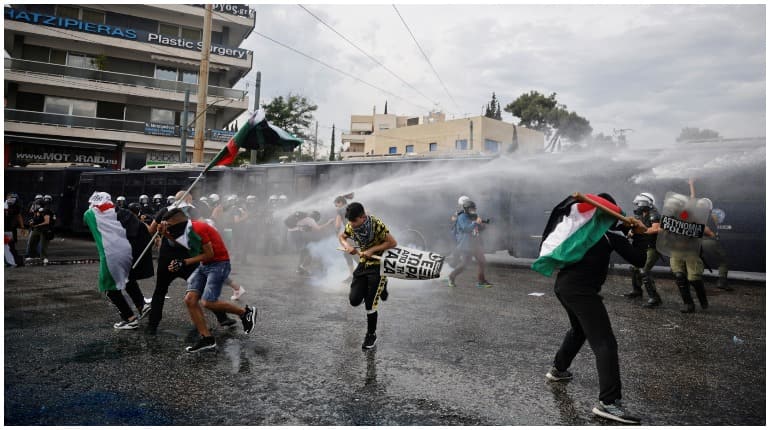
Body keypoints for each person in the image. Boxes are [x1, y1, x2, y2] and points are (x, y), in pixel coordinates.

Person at [544, 193, 646, 424]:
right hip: (581, 292)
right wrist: (640, 235)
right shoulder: (609, 236)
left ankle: (558, 369)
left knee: (579, 330)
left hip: (563, 287)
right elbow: (639, 260)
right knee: (605, 343)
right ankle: (609, 403)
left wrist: (628, 231)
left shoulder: (581, 231)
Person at [161, 208, 256, 353]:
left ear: (177, 221)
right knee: (190, 300)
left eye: (169, 225)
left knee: (208, 302)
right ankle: (207, 339)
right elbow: (187, 245)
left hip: (219, 263)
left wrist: (184, 262)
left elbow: (209, 254)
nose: (167, 227)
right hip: (205, 265)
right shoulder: (185, 229)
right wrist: (166, 234)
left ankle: (245, 312)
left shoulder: (197, 228)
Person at [144, 191, 234, 334]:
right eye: (190, 199)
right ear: (187, 199)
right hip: (188, 256)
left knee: (160, 290)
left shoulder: (164, 211)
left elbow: (151, 230)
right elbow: (204, 227)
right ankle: (222, 318)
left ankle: (152, 325)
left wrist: (158, 234)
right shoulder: (192, 210)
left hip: (167, 257)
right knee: (202, 287)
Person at [83, 192, 151, 330]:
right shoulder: (123, 213)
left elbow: (86, 217)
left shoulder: (90, 214)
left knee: (109, 288)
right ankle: (142, 306)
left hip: (110, 255)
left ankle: (130, 319)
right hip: (127, 252)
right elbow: (143, 229)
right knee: (128, 279)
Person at [338, 202, 397, 350]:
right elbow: (342, 237)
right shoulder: (351, 226)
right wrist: (348, 246)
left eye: (354, 221)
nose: (352, 224)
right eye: (350, 221)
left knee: (370, 303)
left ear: (363, 217)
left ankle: (371, 335)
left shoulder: (376, 224)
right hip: (364, 263)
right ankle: (379, 287)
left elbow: (392, 243)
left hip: (379, 264)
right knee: (354, 300)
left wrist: (372, 250)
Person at [689, 178, 731, 291]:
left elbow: (692, 199)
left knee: (699, 261)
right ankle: (722, 282)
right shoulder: (712, 215)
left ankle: (695, 281)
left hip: (696, 243)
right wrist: (711, 234)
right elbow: (707, 229)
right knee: (723, 261)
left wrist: (691, 184)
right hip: (709, 241)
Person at [624, 192, 663, 308]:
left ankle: (655, 298)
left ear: (645, 203)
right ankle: (637, 291)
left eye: (639, 204)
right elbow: (635, 227)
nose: (637, 206)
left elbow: (656, 229)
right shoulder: (640, 215)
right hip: (643, 245)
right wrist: (631, 232)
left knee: (644, 270)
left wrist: (641, 230)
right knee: (634, 268)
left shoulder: (654, 213)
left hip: (653, 247)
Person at [448, 200, 493, 288]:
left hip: (475, 243)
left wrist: (482, 226)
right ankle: (451, 276)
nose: (473, 210)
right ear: (466, 209)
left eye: (474, 209)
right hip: (466, 244)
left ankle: (481, 282)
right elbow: (466, 228)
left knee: (482, 261)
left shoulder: (473, 216)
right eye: (471, 209)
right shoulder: (462, 217)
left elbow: (476, 228)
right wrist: (476, 222)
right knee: (464, 264)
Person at [287, 210, 334, 276]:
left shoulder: (304, 219)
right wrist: (328, 222)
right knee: (310, 251)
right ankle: (303, 267)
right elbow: (318, 228)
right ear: (316, 217)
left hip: (292, 235)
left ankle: (300, 268)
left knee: (304, 252)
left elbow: (307, 229)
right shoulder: (310, 220)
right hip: (296, 236)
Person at [334, 195, 357, 281]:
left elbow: (338, 224)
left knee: (350, 254)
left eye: (336, 204)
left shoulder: (339, 210)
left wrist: (337, 232)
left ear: (340, 202)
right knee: (349, 253)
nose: (336, 206)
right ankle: (353, 275)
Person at [4, 193, 26, 267]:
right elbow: (19, 216)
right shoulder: (15, 207)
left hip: (9, 229)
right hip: (10, 229)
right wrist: (22, 227)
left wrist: (22, 227)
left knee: (9, 246)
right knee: (10, 246)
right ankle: (15, 262)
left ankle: (14, 262)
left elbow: (18, 216)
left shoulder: (13, 207)